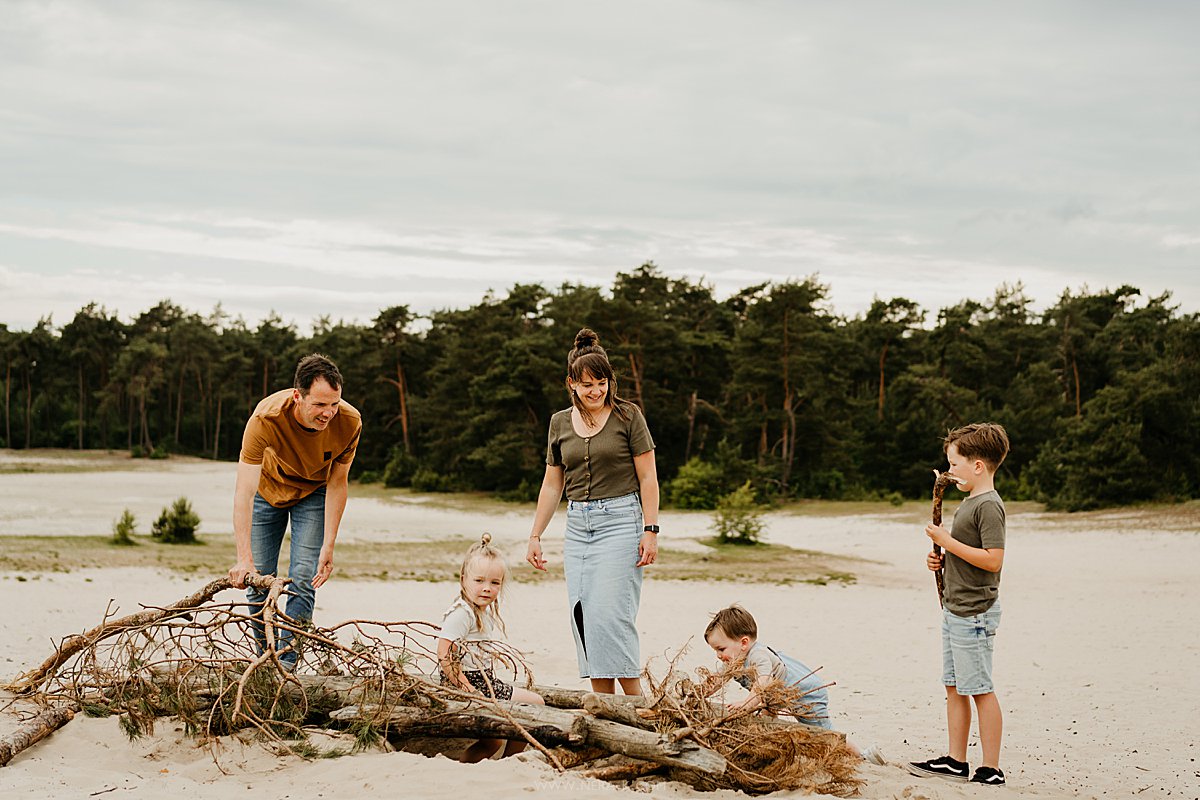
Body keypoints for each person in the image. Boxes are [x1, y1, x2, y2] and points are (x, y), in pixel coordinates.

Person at [526, 327, 659, 696]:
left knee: (612, 616)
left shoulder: (628, 416)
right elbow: (553, 485)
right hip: (578, 527)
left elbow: (648, 477)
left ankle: (638, 706)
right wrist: (535, 535)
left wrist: (651, 529)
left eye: (601, 382)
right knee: (584, 615)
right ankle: (605, 706)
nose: (596, 391)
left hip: (622, 521)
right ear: (571, 383)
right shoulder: (558, 423)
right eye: (586, 385)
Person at [227, 353, 362, 668]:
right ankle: (266, 659)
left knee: (304, 577)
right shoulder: (266, 419)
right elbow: (244, 492)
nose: (328, 412)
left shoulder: (350, 421)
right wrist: (243, 557)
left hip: (314, 493)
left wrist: (328, 545)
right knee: (258, 579)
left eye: (334, 403)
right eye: (319, 405)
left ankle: (286, 666)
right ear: (297, 396)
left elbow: (339, 483)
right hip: (267, 490)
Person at [907, 422, 1010, 787]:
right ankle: (955, 759)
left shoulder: (989, 505)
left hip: (975, 613)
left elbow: (993, 560)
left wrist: (947, 542)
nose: (949, 472)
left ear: (978, 465)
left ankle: (991, 767)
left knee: (979, 687)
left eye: (954, 465)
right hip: (955, 608)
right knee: (953, 686)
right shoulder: (969, 502)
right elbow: (969, 556)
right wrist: (942, 560)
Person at [702, 605, 886, 764]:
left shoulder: (758, 656)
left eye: (721, 649)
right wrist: (699, 694)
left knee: (823, 732)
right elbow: (717, 680)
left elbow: (762, 684)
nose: (718, 655)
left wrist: (745, 703)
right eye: (715, 650)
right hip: (775, 696)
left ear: (743, 643)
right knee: (765, 720)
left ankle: (863, 756)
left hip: (805, 693)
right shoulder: (733, 660)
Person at [439, 533, 545, 762]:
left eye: (494, 583)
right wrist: (468, 689)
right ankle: (508, 761)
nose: (487, 588)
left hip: (483, 681)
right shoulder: (461, 614)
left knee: (495, 739)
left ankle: (503, 761)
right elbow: (444, 655)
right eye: (479, 581)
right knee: (534, 705)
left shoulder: (478, 611)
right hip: (469, 683)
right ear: (463, 579)